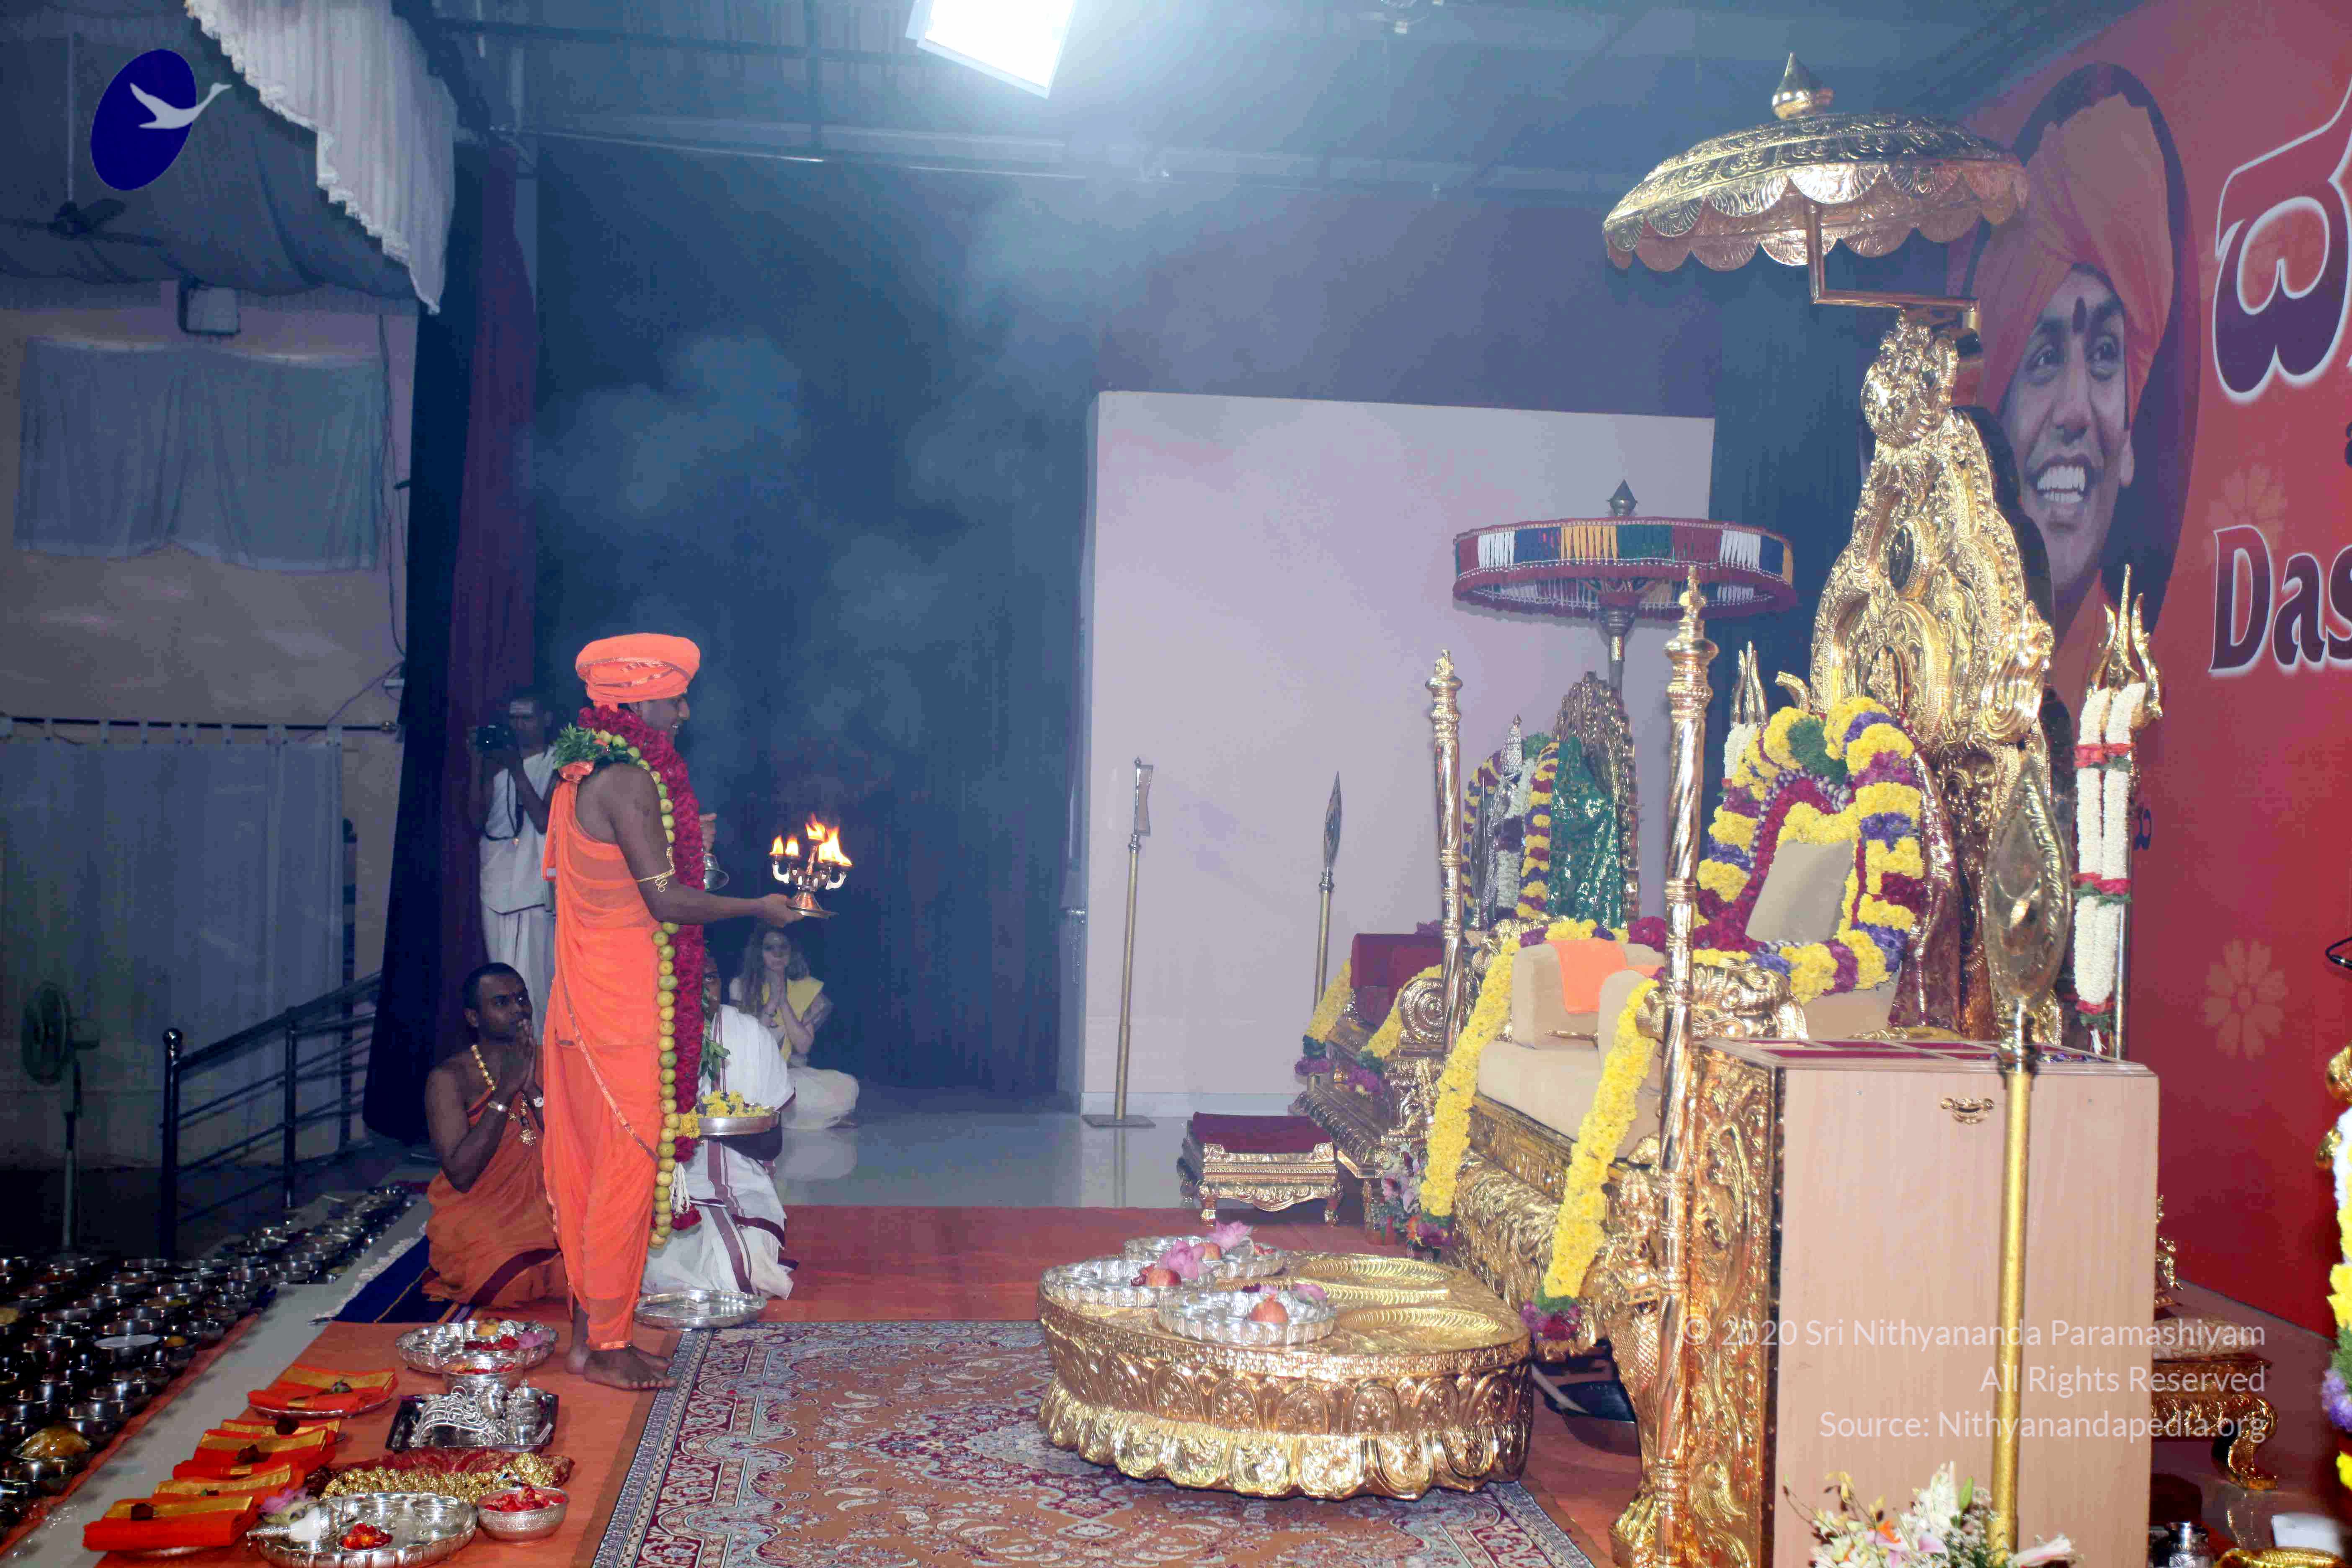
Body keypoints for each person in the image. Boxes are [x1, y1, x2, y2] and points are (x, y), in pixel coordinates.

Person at [540, 633, 805, 1390]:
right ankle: (606, 1343)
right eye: (675, 698)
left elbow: (626, 885)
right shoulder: (625, 779)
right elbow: (664, 902)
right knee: (626, 1171)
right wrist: (756, 907)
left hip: (589, 998)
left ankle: (592, 1336)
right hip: (620, 1008)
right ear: (632, 704)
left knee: (597, 1170)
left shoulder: (581, 772)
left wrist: (689, 851)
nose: (685, 712)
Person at [1953, 64, 2197, 707]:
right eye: (2042, 358)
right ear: (1993, 430)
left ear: (2131, 435)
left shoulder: (2130, 685)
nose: (2074, 411)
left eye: (2107, 355)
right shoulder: (1937, 676)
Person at [641, 972, 795, 1301]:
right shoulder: (645, 1033)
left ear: (722, 983)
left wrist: (712, 1124)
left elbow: (773, 1145)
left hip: (743, 1185)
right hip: (664, 1189)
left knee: (746, 1270)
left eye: (709, 978)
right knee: (651, 1266)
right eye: (687, 977)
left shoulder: (751, 1036)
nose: (699, 989)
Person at [420, 964, 566, 1308]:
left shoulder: (551, 1060)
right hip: (484, 1213)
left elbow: (573, 1151)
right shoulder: (450, 1078)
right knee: (508, 1283)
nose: (518, 1009)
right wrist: (504, 1093)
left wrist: (531, 1090)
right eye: (502, 1002)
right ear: (474, 1018)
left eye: (522, 998)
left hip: (549, 1207)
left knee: (606, 1262)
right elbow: (461, 1174)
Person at [475, 690, 556, 1014]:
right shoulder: (496, 762)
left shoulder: (558, 761)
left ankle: (538, 1046)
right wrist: (477, 761)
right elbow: (475, 820)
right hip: (495, 884)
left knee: (534, 987)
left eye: (527, 718)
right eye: (513, 718)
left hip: (532, 888)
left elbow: (543, 821)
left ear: (545, 720)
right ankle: (510, 1046)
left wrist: (517, 770)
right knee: (501, 983)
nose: (519, 725)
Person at [731, 929, 859, 1129]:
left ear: (792, 953)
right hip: (752, 1077)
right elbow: (750, 1045)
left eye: (784, 947)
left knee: (848, 1085)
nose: (778, 954)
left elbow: (803, 1046)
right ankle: (802, 1115)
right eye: (770, 948)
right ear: (758, 953)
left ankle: (776, 1114)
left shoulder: (805, 989)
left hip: (789, 1076)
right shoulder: (741, 986)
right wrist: (772, 1001)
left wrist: (784, 1001)